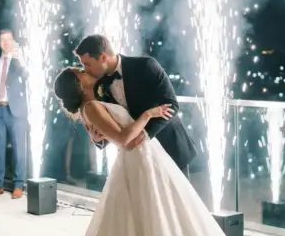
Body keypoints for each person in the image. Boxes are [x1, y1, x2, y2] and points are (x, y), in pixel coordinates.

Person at [54, 66, 257, 236]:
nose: (84, 70)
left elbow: (110, 134)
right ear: (78, 83)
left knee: (168, 222)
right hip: (137, 164)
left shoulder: (96, 98)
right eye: (79, 70)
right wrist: (148, 115)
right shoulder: (90, 106)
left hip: (148, 160)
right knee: (147, 228)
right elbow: (125, 139)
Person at [75, 34, 196, 172]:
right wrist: (99, 139)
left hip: (170, 147)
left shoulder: (145, 65)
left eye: (87, 64)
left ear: (103, 57)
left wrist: (144, 134)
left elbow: (172, 105)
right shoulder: (99, 86)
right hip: (140, 157)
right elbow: (112, 123)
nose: (86, 70)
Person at [0, 29, 28, 200]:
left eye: (9, 39)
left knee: (19, 149)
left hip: (15, 110)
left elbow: (27, 77)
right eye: (3, 39)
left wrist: (22, 60)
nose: (6, 42)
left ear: (13, 41)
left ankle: (18, 185)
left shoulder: (19, 62)